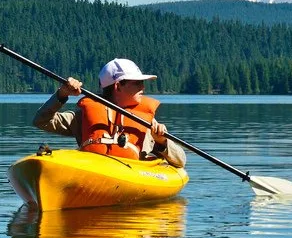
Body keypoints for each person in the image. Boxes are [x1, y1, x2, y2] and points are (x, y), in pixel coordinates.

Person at [32, 58, 186, 168]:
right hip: (94, 173)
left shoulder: (147, 123)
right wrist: (62, 94)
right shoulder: (83, 117)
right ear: (118, 86)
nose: (143, 88)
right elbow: (41, 121)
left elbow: (180, 161)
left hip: (130, 176)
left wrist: (161, 142)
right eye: (137, 83)